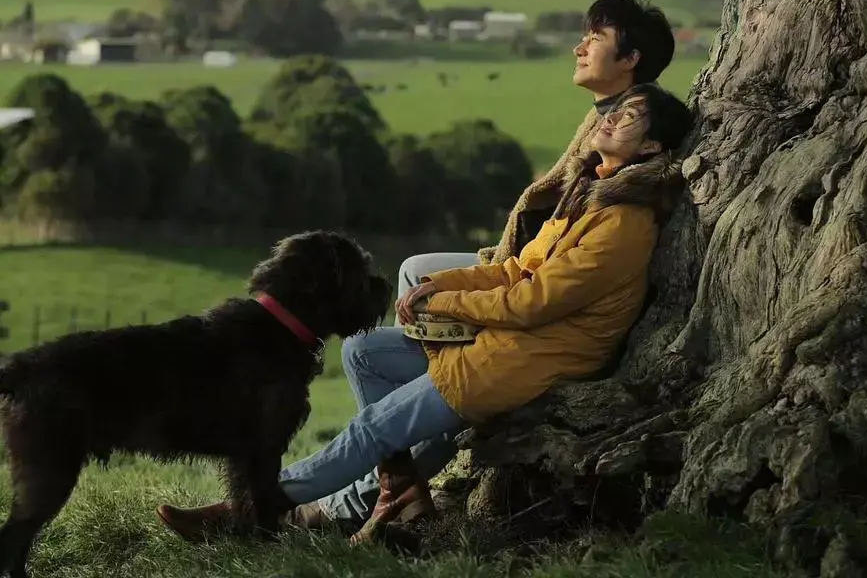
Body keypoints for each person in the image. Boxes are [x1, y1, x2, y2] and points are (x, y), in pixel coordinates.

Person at [156, 83, 694, 545]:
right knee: (367, 352)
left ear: (651, 146)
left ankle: (250, 512)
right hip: (511, 341)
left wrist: (443, 303)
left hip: (534, 356)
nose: (611, 117)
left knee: (371, 427)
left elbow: (533, 304)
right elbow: (516, 272)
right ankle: (401, 490)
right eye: (614, 109)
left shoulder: (624, 223)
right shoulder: (590, 195)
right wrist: (443, 282)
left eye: (631, 116)